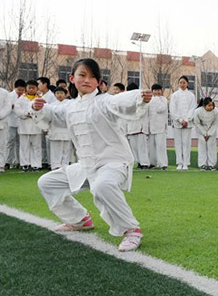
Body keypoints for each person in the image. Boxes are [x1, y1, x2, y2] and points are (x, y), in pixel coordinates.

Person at [33, 58, 153, 251]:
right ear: (72, 78)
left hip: (113, 162)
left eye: (92, 77)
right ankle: (80, 220)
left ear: (98, 82)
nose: (87, 80)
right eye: (82, 75)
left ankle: (131, 230)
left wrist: (140, 97)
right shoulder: (70, 106)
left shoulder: (104, 102)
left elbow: (119, 101)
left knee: (102, 186)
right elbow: (53, 113)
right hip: (87, 166)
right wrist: (39, 107)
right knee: (47, 182)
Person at [37, 86, 72, 170]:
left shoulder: (70, 104)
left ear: (65, 94)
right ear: (55, 95)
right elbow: (47, 118)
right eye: (57, 93)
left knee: (66, 150)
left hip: (67, 130)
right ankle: (56, 166)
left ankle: (65, 166)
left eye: (61, 93)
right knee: (56, 150)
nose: (59, 95)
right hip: (55, 130)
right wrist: (45, 129)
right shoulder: (50, 105)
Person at [15, 80, 44, 171]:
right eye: (29, 88)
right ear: (26, 88)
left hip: (36, 126)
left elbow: (44, 111)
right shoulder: (21, 99)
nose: (31, 90)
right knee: (24, 146)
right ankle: (25, 164)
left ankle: (36, 164)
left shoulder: (40, 99)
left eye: (33, 88)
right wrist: (26, 114)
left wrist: (35, 114)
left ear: (37, 88)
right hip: (24, 125)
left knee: (36, 146)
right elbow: (17, 110)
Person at [169, 76, 195, 170]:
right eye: (180, 82)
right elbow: (172, 109)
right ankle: (179, 163)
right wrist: (180, 120)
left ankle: (186, 163)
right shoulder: (175, 95)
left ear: (187, 83)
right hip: (177, 123)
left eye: (184, 82)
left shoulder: (191, 95)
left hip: (188, 123)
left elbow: (192, 109)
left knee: (186, 143)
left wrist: (187, 120)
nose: (182, 84)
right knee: (178, 143)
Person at [125, 83, 150, 170]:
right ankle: (138, 162)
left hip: (140, 127)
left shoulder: (142, 100)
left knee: (142, 147)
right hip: (131, 128)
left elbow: (141, 112)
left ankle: (145, 163)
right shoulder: (127, 101)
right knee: (134, 147)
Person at [5, 79, 26, 170]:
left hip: (21, 123)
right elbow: (6, 107)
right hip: (11, 122)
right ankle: (8, 161)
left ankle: (18, 161)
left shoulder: (25, 97)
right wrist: (11, 107)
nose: (21, 92)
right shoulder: (9, 96)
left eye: (22, 90)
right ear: (15, 88)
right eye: (19, 90)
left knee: (20, 143)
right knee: (10, 142)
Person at [193, 97, 218, 170]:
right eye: (209, 105)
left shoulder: (216, 111)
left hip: (212, 130)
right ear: (204, 106)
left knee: (211, 146)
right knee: (202, 146)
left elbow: (216, 123)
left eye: (212, 105)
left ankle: (212, 164)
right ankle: (202, 164)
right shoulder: (197, 111)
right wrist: (204, 133)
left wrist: (209, 133)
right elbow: (197, 123)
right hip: (201, 130)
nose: (211, 107)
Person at [148, 84, 169, 170]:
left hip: (160, 126)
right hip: (151, 126)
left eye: (158, 90)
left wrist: (156, 99)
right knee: (151, 146)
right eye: (155, 90)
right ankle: (153, 163)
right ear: (152, 91)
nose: (157, 92)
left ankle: (163, 164)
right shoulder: (149, 100)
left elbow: (161, 109)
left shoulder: (163, 99)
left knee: (161, 146)